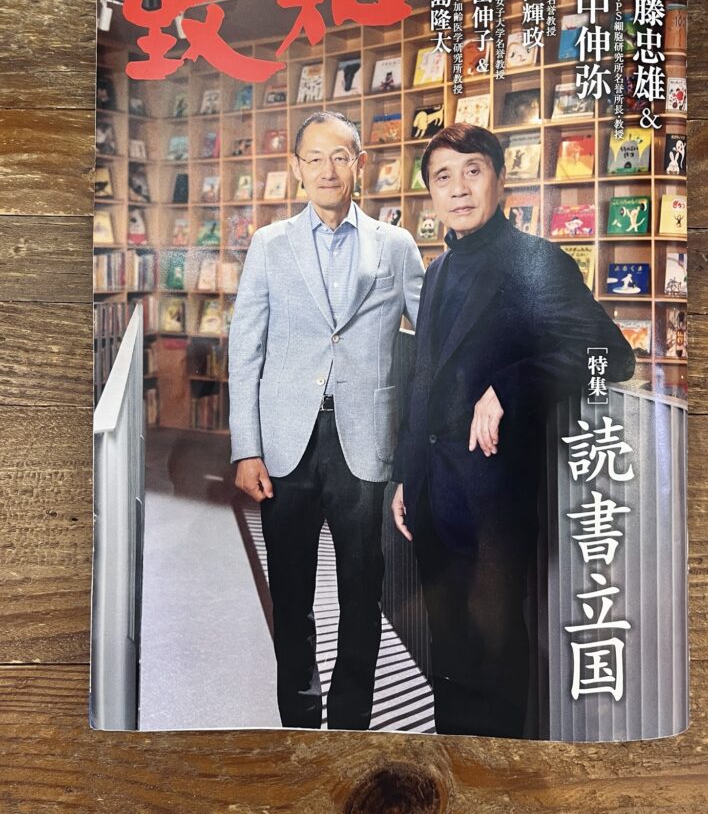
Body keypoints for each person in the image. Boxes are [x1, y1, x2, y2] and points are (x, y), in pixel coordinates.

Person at [391, 123, 635, 738]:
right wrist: (405, 476)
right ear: (431, 195)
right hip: (433, 500)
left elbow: (610, 354)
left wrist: (511, 386)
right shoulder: (439, 271)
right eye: (443, 177)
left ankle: (499, 781)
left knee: (495, 662)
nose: (459, 188)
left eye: (472, 171)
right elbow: (424, 380)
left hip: (493, 507)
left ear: (500, 180)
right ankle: (455, 773)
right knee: (449, 662)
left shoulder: (535, 260)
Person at [229, 111, 424, 730]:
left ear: (360, 164)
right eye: (314, 158)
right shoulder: (270, 244)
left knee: (362, 593)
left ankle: (350, 725)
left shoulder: (396, 245)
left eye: (340, 157)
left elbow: (434, 338)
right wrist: (245, 448)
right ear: (297, 168)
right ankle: (298, 721)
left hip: (364, 442)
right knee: (291, 594)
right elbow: (246, 349)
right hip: (285, 444)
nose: (327, 170)